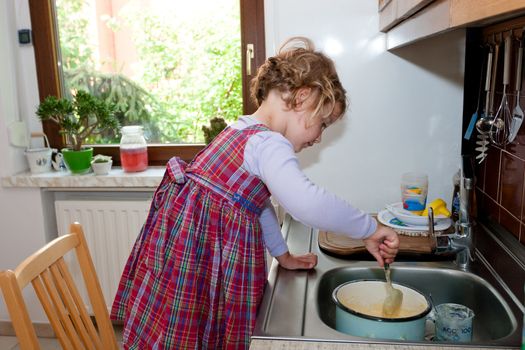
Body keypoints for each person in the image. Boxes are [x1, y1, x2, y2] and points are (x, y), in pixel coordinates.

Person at [111, 36, 399, 349]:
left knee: (184, 330)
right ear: (302, 98)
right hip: (205, 258)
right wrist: (370, 228)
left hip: (186, 257)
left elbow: (254, 204)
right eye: (323, 124)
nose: (319, 138)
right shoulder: (270, 143)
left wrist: (283, 255)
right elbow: (307, 203)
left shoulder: (241, 128)